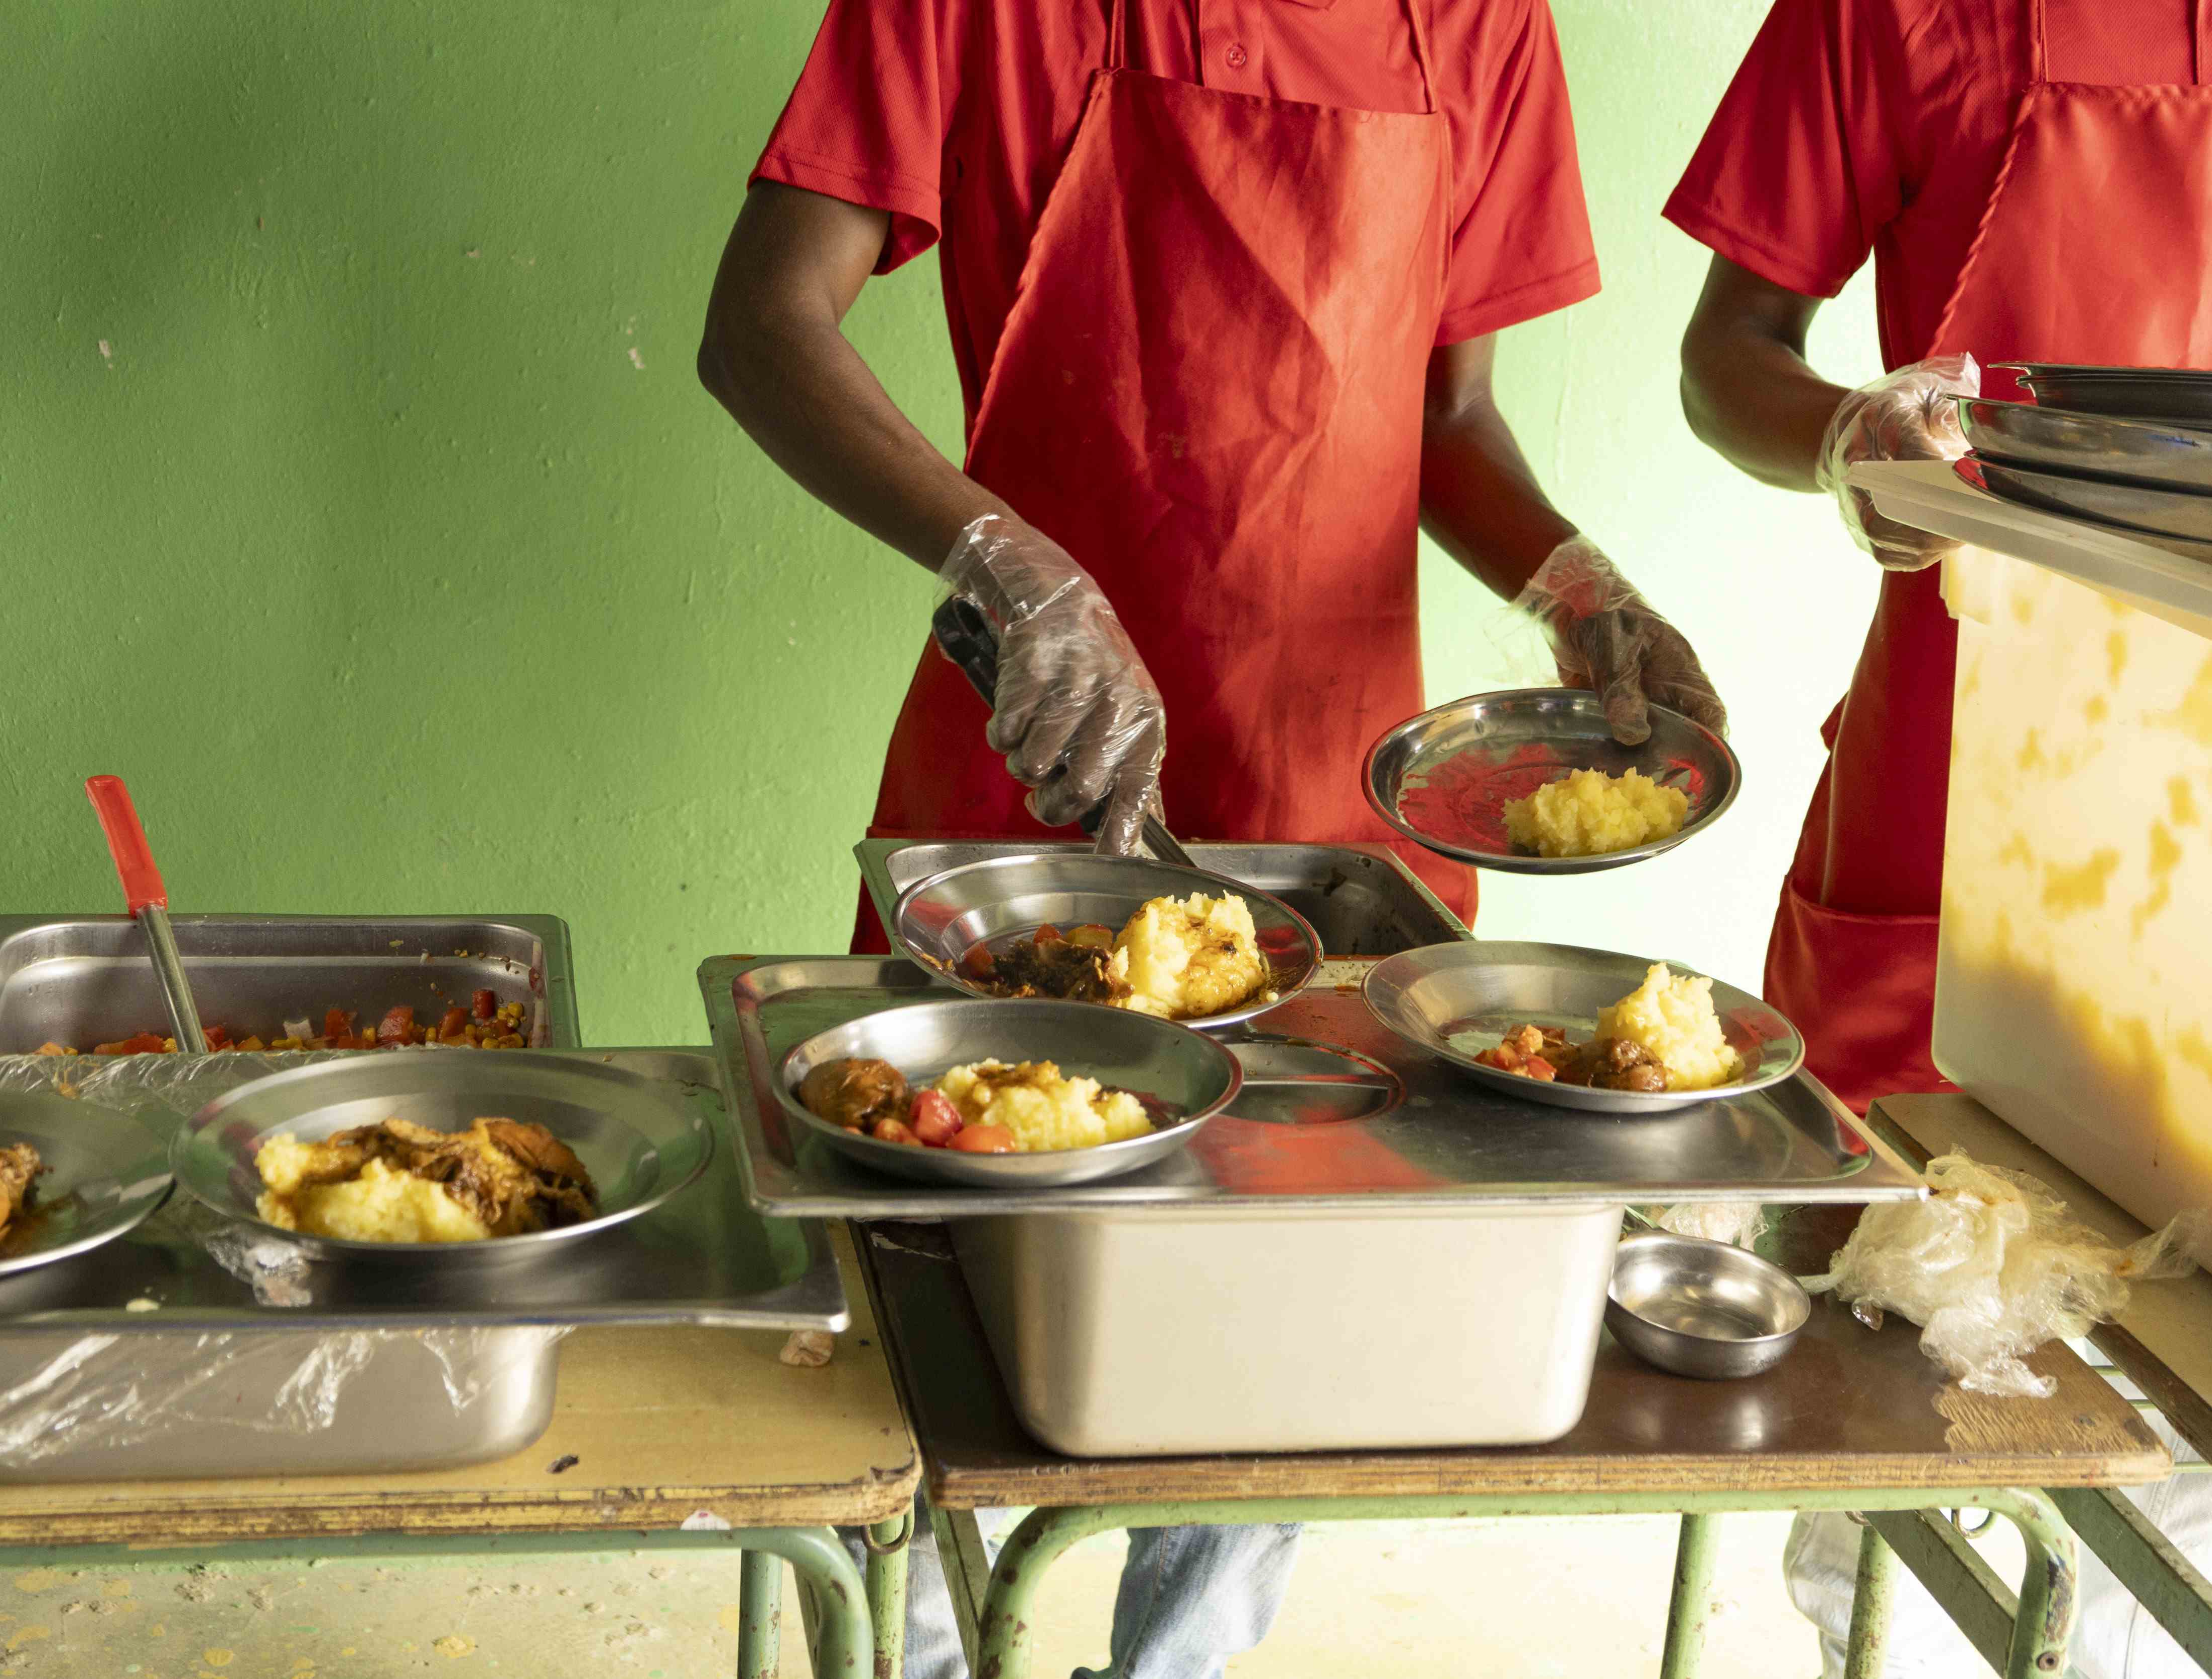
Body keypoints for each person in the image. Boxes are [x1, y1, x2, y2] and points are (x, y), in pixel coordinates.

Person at [701, 3, 1724, 1671]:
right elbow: (760, 326)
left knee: (1265, 1380)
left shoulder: (1475, 23)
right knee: (937, 1376)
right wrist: (1003, 564)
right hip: (1032, 801)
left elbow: (1446, 419)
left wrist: (1576, 587)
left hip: (1329, 822)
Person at [1668, 1, 2212, 1671]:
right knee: (1905, 1393)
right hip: (1968, 779)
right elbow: (1727, 355)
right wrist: (1844, 435)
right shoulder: (1894, 14)